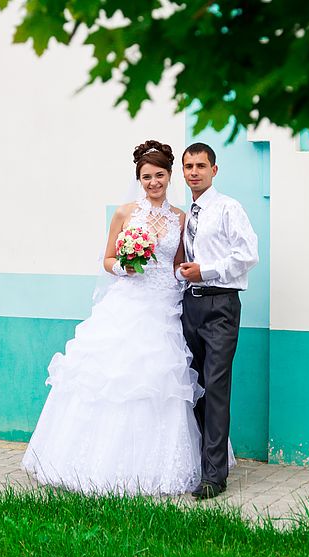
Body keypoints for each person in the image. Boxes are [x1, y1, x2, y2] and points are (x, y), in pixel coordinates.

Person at [22, 140, 220, 496]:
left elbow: (176, 263)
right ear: (138, 178)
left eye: (159, 175)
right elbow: (108, 260)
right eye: (146, 176)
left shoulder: (180, 217)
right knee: (114, 379)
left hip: (165, 308)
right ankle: (93, 464)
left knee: (161, 382)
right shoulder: (125, 214)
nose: (153, 182)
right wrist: (126, 267)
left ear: (169, 176)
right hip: (128, 304)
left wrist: (183, 274)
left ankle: (156, 466)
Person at [176, 142, 259, 500]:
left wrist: (205, 271)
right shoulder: (185, 214)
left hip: (220, 306)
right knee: (195, 386)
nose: (194, 172)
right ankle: (204, 463)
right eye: (188, 166)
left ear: (214, 169)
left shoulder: (228, 208)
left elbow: (247, 255)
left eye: (201, 165)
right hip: (189, 308)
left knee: (216, 385)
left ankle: (214, 477)